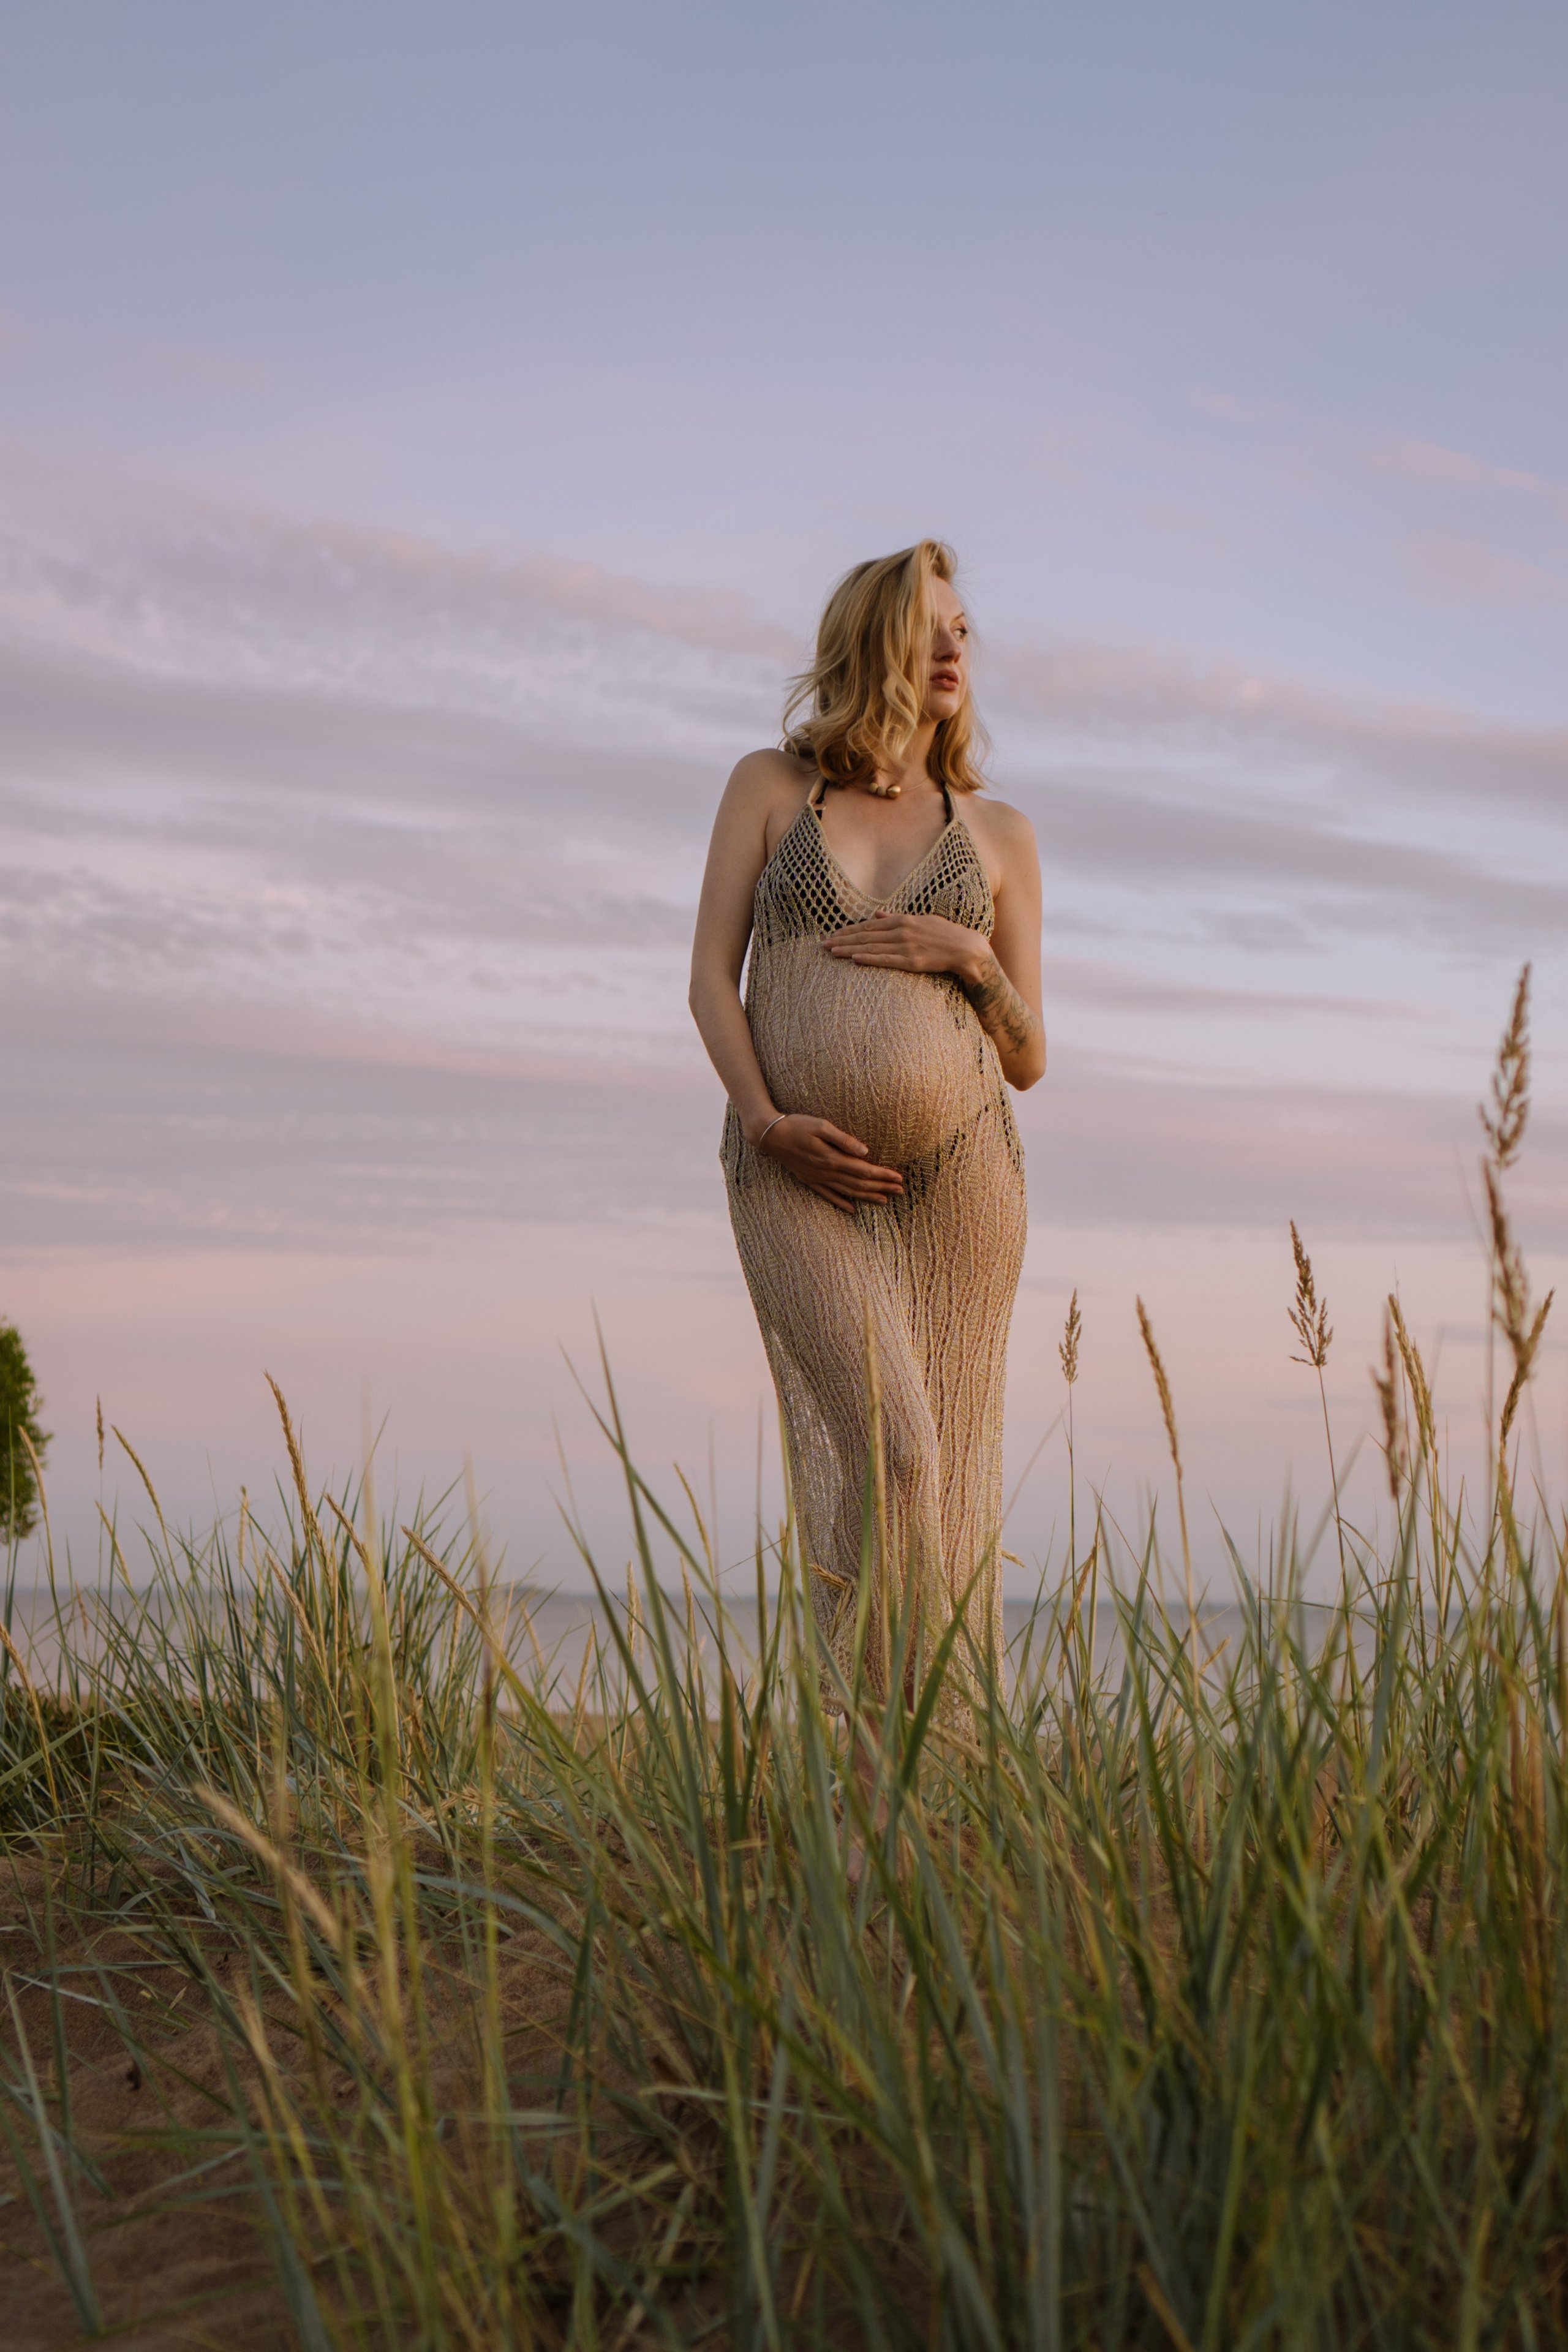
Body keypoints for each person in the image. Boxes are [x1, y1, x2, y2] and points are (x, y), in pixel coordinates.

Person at [688, 539, 1044, 1740]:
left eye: (963, 627)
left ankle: (919, 1762)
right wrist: (764, 1121)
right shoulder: (769, 787)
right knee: (892, 1455)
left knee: (944, 1479)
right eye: (925, 625)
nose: (953, 647)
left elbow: (1028, 1058)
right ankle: (869, 1740)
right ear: (868, 641)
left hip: (960, 1176)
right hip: (791, 1166)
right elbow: (709, 981)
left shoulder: (998, 834)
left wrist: (973, 959)